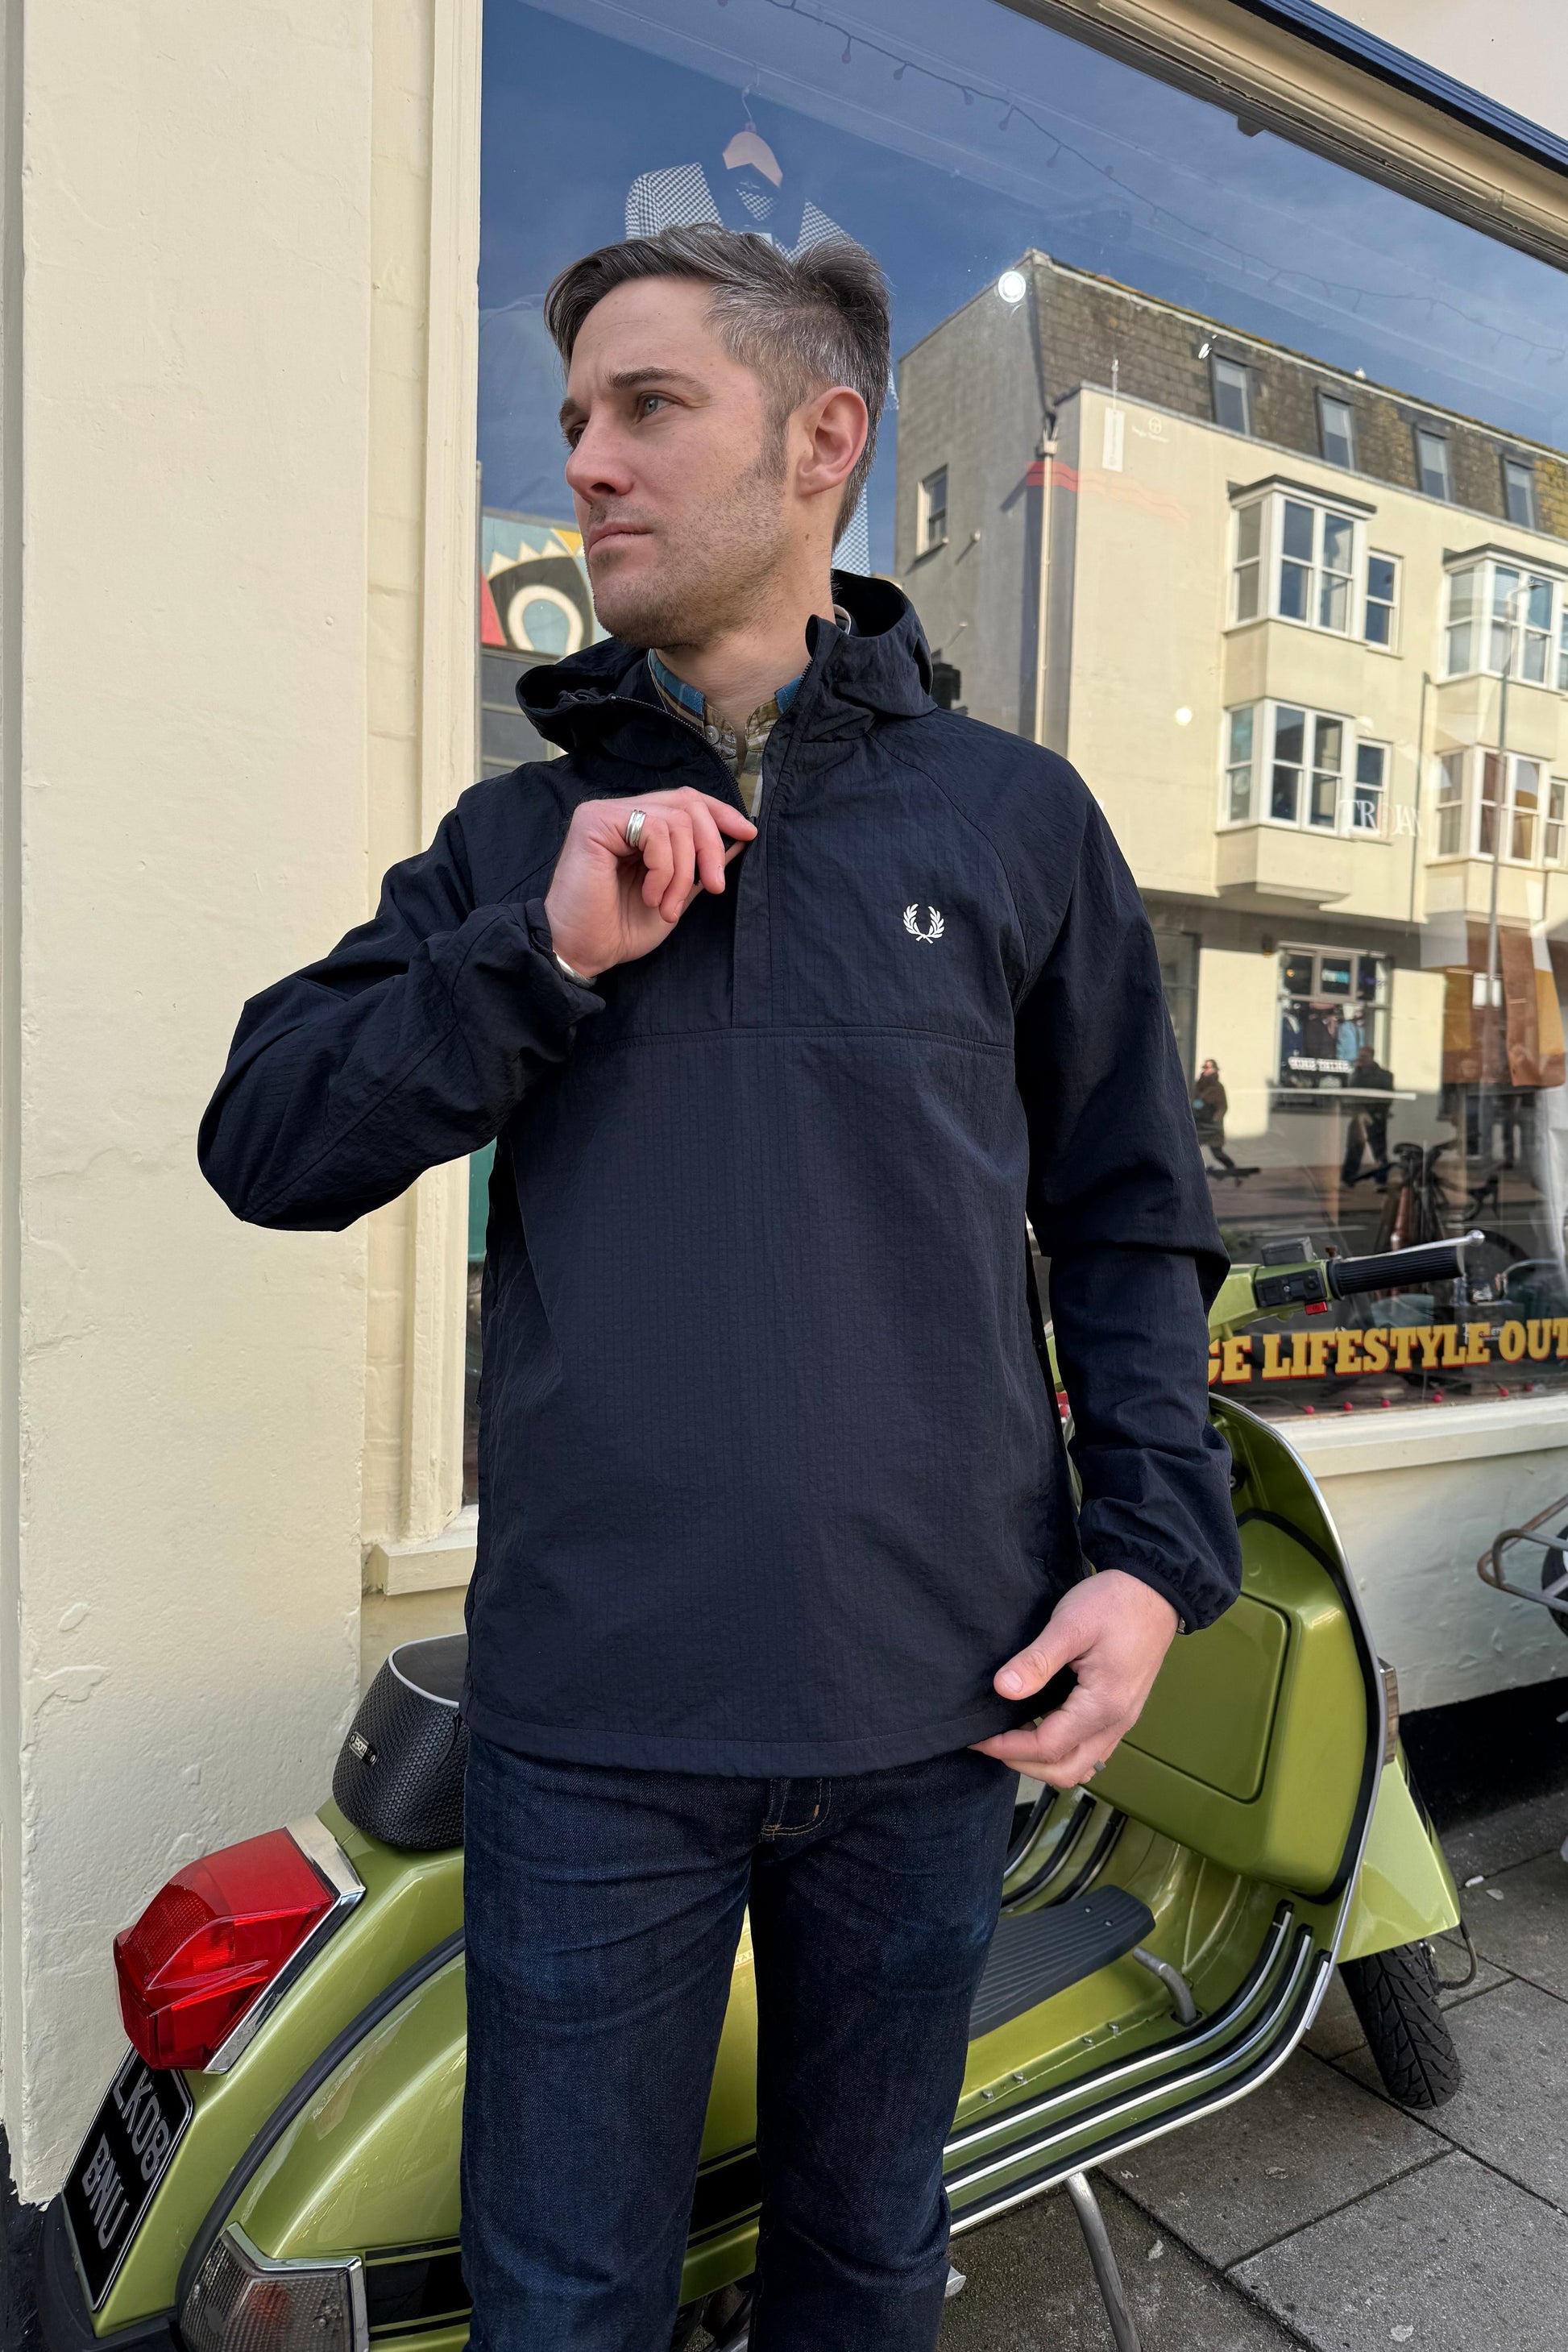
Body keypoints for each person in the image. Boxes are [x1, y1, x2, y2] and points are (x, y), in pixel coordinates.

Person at [199, 227, 1241, 2352]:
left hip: (931, 1702)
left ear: (823, 438)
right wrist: (540, 956)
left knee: (863, 2262)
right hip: (597, 1721)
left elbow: (1132, 1219)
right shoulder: (516, 839)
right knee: (563, 2291)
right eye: (575, 415)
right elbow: (267, 1140)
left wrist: (1150, 1556)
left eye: (649, 405)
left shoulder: (1018, 821)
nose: (589, 459)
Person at [1342, 1042, 1396, 1187]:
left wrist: (1377, 1114)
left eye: (1364, 1056)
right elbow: (1351, 1096)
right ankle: (1348, 1178)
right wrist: (1359, 1112)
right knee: (1354, 1148)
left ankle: (1381, 1180)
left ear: (1371, 1057)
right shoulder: (1355, 1075)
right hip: (1359, 1116)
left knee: (1378, 1149)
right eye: (1360, 1056)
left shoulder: (1384, 1076)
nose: (1361, 1059)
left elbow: (1387, 1097)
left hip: (1376, 1117)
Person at [1193, 1057, 1238, 1176]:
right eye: (1204, 1067)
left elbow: (1223, 1106)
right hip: (1199, 1122)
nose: (1205, 1070)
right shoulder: (1199, 1085)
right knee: (1191, 1146)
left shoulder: (1218, 1087)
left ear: (1214, 1070)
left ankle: (1232, 1168)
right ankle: (1197, 1170)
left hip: (1212, 1125)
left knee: (1217, 1152)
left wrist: (1215, 1119)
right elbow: (1194, 1100)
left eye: (1208, 1068)